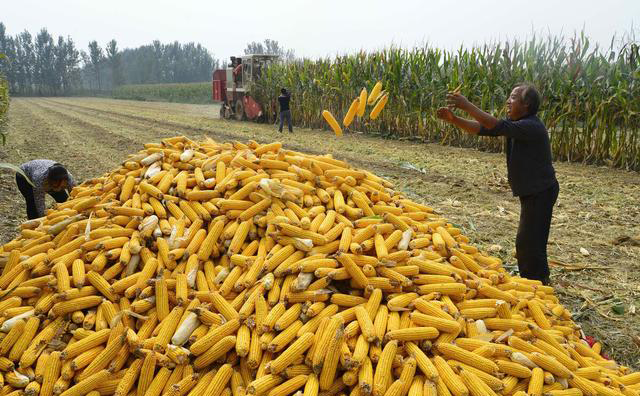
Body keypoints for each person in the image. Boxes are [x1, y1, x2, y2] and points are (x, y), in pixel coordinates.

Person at [436, 84, 558, 285]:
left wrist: (466, 105)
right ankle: (534, 279)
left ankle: (538, 282)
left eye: (513, 97)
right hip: (533, 191)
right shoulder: (517, 124)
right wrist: (454, 119)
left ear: (526, 105)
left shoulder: (531, 126)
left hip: (541, 191)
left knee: (529, 243)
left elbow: (493, 124)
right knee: (529, 241)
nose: (508, 102)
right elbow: (482, 129)